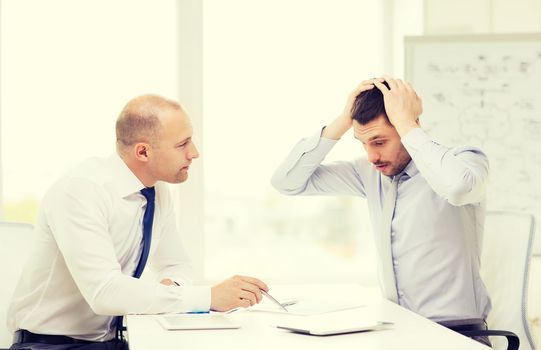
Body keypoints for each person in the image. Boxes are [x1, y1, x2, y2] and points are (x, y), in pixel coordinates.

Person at [8, 94, 268, 350]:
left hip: (112, 341)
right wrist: (209, 297)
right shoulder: (80, 190)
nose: (194, 153)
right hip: (48, 345)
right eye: (183, 144)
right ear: (143, 151)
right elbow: (105, 292)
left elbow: (176, 264)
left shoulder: (157, 191)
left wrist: (172, 289)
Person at [271, 77, 492, 346]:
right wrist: (342, 120)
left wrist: (408, 123)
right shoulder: (368, 173)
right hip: (399, 331)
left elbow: (458, 188)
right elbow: (287, 182)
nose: (372, 156)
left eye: (379, 142)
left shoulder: (464, 161)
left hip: (457, 334)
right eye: (363, 144)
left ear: (410, 127)